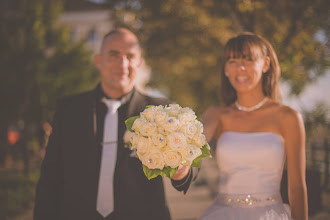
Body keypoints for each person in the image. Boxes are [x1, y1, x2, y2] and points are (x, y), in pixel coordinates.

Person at [34, 28, 196, 220]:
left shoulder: (160, 110)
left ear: (139, 62)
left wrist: (182, 170)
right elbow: (50, 180)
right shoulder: (69, 109)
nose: (123, 64)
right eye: (114, 55)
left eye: (130, 56)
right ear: (98, 60)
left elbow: (190, 168)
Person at [200, 33, 308, 220]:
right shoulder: (216, 115)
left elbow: (297, 187)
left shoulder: (288, 117)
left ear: (266, 64)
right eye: (232, 61)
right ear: (225, 69)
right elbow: (193, 143)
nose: (240, 68)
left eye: (248, 60)